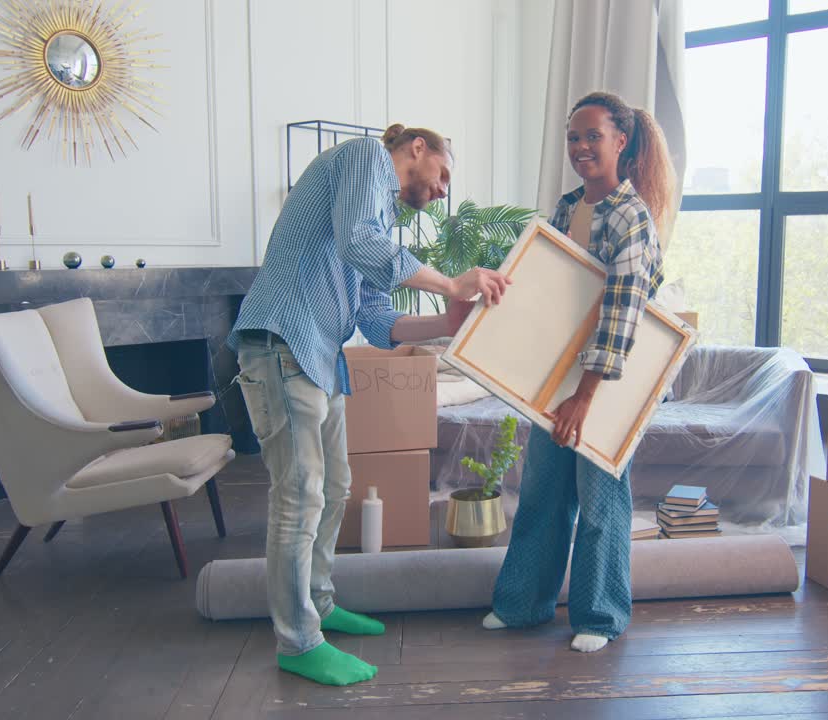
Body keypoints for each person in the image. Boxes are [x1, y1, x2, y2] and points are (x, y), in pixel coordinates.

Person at [229, 124, 508, 686]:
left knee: (334, 487)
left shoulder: (382, 219)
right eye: (444, 173)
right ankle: (298, 641)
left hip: (318, 357)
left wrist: (447, 324)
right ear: (417, 149)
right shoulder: (364, 158)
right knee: (300, 495)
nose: (443, 190)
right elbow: (357, 241)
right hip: (282, 342)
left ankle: (321, 605)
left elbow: (380, 324)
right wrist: (453, 284)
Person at [482, 91, 675, 652]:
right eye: (573, 137)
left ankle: (599, 616)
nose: (581, 147)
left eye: (593, 136)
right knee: (542, 490)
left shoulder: (631, 218)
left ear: (621, 141)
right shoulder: (567, 208)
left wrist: (585, 397)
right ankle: (522, 604)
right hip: (559, 375)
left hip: (609, 385)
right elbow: (553, 297)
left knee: (600, 499)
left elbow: (620, 314)